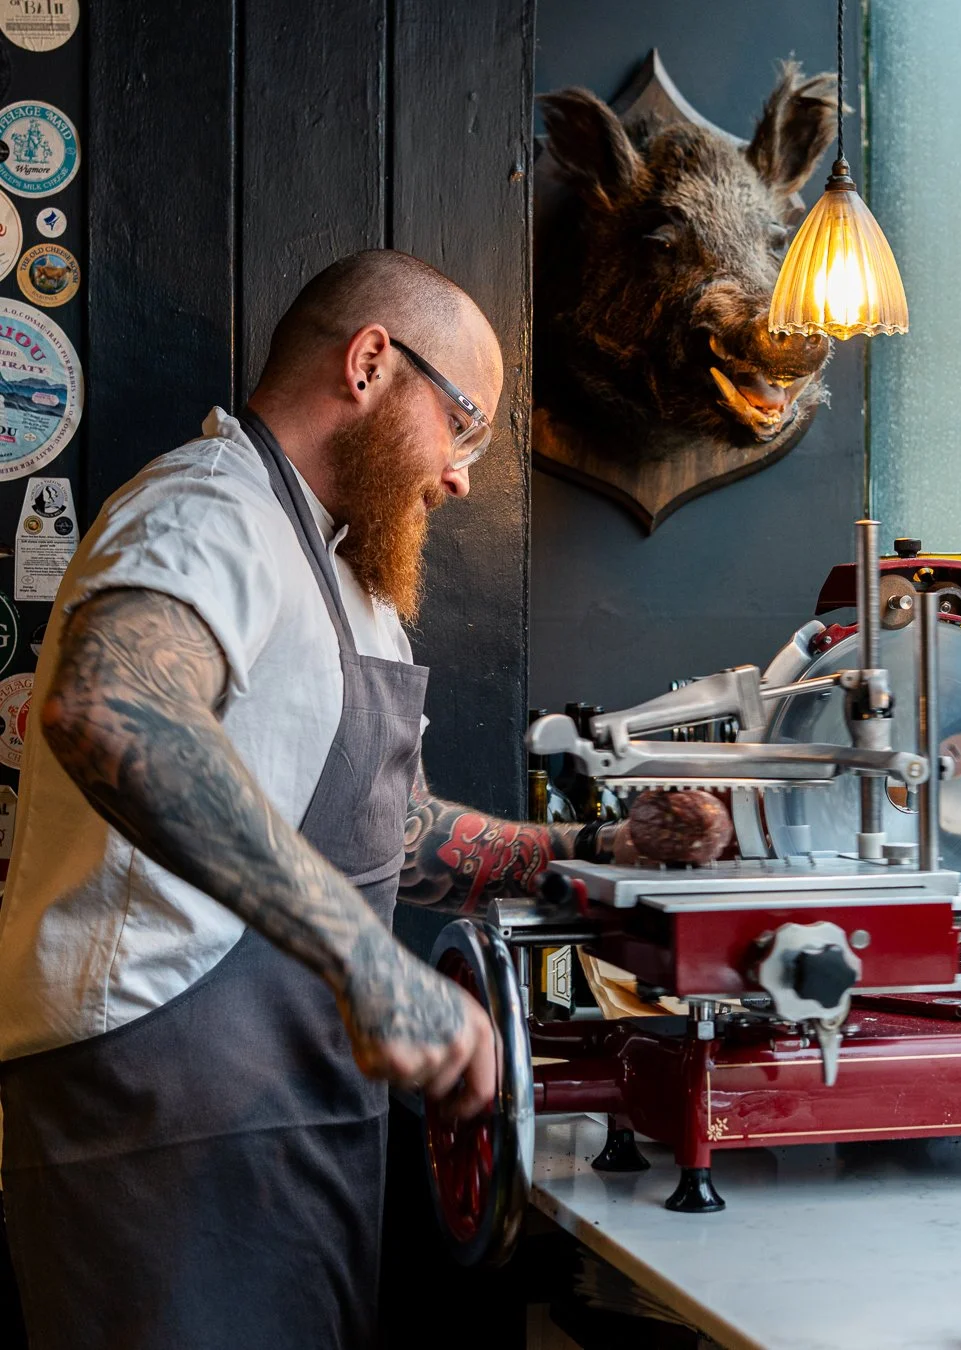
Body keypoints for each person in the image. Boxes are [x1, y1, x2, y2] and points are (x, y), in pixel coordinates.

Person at [0, 250, 621, 1349]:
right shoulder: (206, 511)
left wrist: (595, 847)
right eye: (461, 423)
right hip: (164, 1114)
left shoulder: (349, 577)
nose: (460, 476)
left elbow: (395, 832)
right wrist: (372, 963)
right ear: (372, 362)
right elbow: (112, 710)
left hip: (291, 1113)